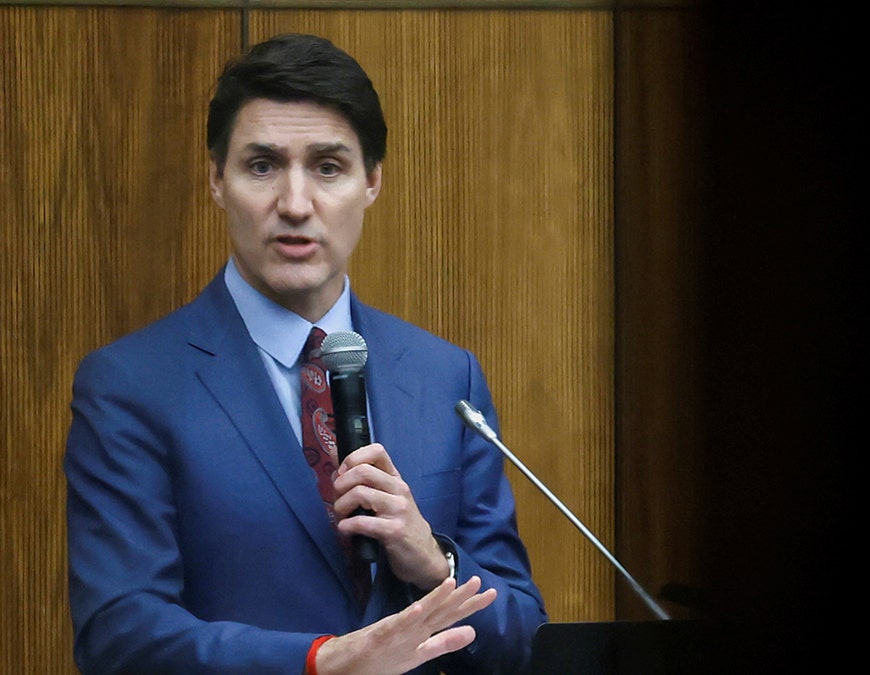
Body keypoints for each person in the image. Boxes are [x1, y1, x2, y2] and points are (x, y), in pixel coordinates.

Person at [64, 33, 547, 674]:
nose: (295, 204)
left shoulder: (444, 377)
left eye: (328, 167)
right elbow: (120, 636)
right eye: (262, 166)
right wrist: (322, 661)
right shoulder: (131, 385)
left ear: (371, 181)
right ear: (216, 180)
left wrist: (434, 561)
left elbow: (523, 634)